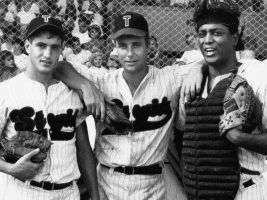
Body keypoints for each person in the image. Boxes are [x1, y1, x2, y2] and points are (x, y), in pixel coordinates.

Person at [53, 11, 205, 200]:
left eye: (137, 45)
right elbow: (58, 66)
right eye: (123, 46)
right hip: (107, 182)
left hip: (151, 185)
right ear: (115, 46)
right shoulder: (102, 80)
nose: (130, 53)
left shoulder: (170, 78)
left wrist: (199, 67)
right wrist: (85, 85)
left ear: (148, 44)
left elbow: (214, 60)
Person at [0, 15, 99, 200]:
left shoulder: (72, 92)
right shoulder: (5, 91)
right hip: (22, 191)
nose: (47, 54)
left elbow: (83, 148)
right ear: (27, 46)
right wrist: (10, 168)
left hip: (67, 192)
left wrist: (94, 194)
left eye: (54, 47)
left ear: (62, 49)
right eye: (41, 45)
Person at [180, 0, 267, 199]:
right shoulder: (190, 81)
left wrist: (240, 138)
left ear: (235, 37)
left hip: (253, 186)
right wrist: (197, 67)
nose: (207, 40)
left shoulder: (260, 76)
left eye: (217, 33)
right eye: (202, 34)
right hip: (204, 190)